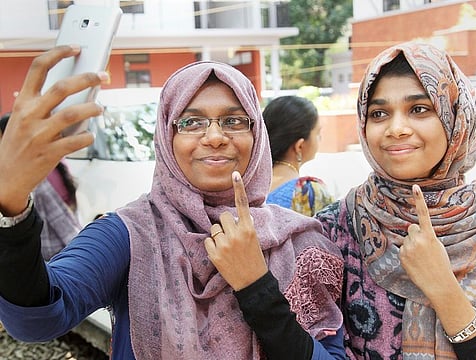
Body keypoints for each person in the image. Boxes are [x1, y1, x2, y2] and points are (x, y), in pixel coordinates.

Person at [0, 45, 346, 359]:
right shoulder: (132, 235)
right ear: (167, 135)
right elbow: (37, 320)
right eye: (192, 121)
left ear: (257, 135)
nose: (214, 137)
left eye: (234, 121)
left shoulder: (301, 243)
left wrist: (256, 283)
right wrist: (10, 205)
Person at [213, 42, 476, 359]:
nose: (396, 129)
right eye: (379, 113)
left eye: (418, 109)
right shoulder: (335, 229)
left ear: (456, 119)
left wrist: (444, 289)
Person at [0, 112, 81, 260]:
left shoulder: (32, 175)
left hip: (55, 254)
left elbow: (60, 222)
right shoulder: (55, 159)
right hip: (64, 250)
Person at [264, 96, 334, 216]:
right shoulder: (307, 191)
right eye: (317, 133)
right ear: (299, 146)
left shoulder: (249, 187)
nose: (320, 139)